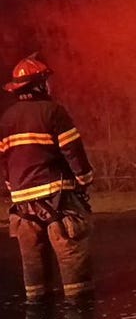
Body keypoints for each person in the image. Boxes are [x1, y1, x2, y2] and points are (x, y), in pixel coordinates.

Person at [0, 53, 95, 303]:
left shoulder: (6, 119)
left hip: (22, 202)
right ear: (39, 84)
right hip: (56, 197)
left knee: (32, 261)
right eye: (46, 80)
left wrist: (14, 188)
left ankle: (38, 316)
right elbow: (73, 151)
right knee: (70, 250)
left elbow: (5, 161)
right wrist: (85, 179)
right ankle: (79, 310)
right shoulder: (53, 112)